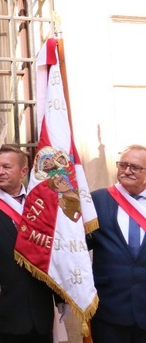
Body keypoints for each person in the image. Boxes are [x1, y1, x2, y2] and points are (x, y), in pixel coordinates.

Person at [0, 145, 58, 343]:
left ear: (23, 171)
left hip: (41, 314)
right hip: (2, 313)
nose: (0, 172)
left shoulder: (40, 203)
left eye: (6, 167)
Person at [88, 144, 146, 341]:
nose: (127, 171)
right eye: (123, 165)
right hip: (109, 309)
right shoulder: (96, 200)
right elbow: (77, 247)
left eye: (135, 167)